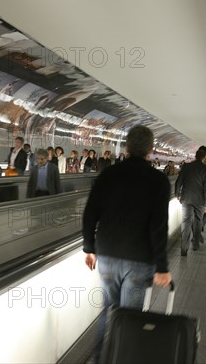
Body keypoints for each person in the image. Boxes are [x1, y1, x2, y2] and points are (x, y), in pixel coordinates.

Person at [82, 125, 171, 362]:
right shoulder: (159, 181)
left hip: (108, 255)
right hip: (140, 260)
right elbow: (158, 226)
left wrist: (89, 249)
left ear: (127, 147)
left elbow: (90, 214)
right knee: (128, 318)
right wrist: (162, 267)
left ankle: (100, 359)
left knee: (107, 312)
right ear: (151, 150)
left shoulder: (107, 175)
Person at [174, 148, 206, 255]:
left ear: (195, 156)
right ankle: (195, 244)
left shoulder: (186, 166)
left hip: (186, 198)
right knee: (198, 220)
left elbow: (179, 181)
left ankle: (184, 248)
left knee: (186, 222)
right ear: (204, 157)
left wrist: (177, 194)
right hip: (200, 200)